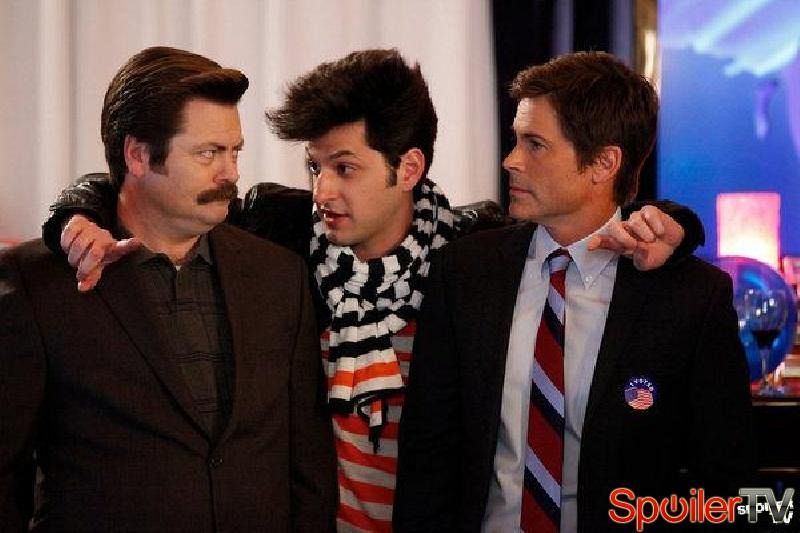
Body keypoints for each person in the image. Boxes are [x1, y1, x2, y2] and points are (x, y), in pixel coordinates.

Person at [41, 49, 704, 532]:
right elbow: (159, 197)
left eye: (345, 167)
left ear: (408, 167)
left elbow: (586, 222)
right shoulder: (280, 230)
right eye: (314, 167)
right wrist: (74, 213)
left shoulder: (475, 252)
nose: (322, 190)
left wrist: (675, 224)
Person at [394, 51, 753, 533]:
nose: (510, 160)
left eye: (535, 144)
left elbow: (725, 484)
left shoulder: (691, 298)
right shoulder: (464, 272)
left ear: (603, 163)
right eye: (516, 139)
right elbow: (427, 459)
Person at [0, 46, 337, 531]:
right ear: (138, 155)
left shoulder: (279, 274)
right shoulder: (38, 284)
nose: (230, 172)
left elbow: (308, 463)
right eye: (208, 153)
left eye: (234, 151)